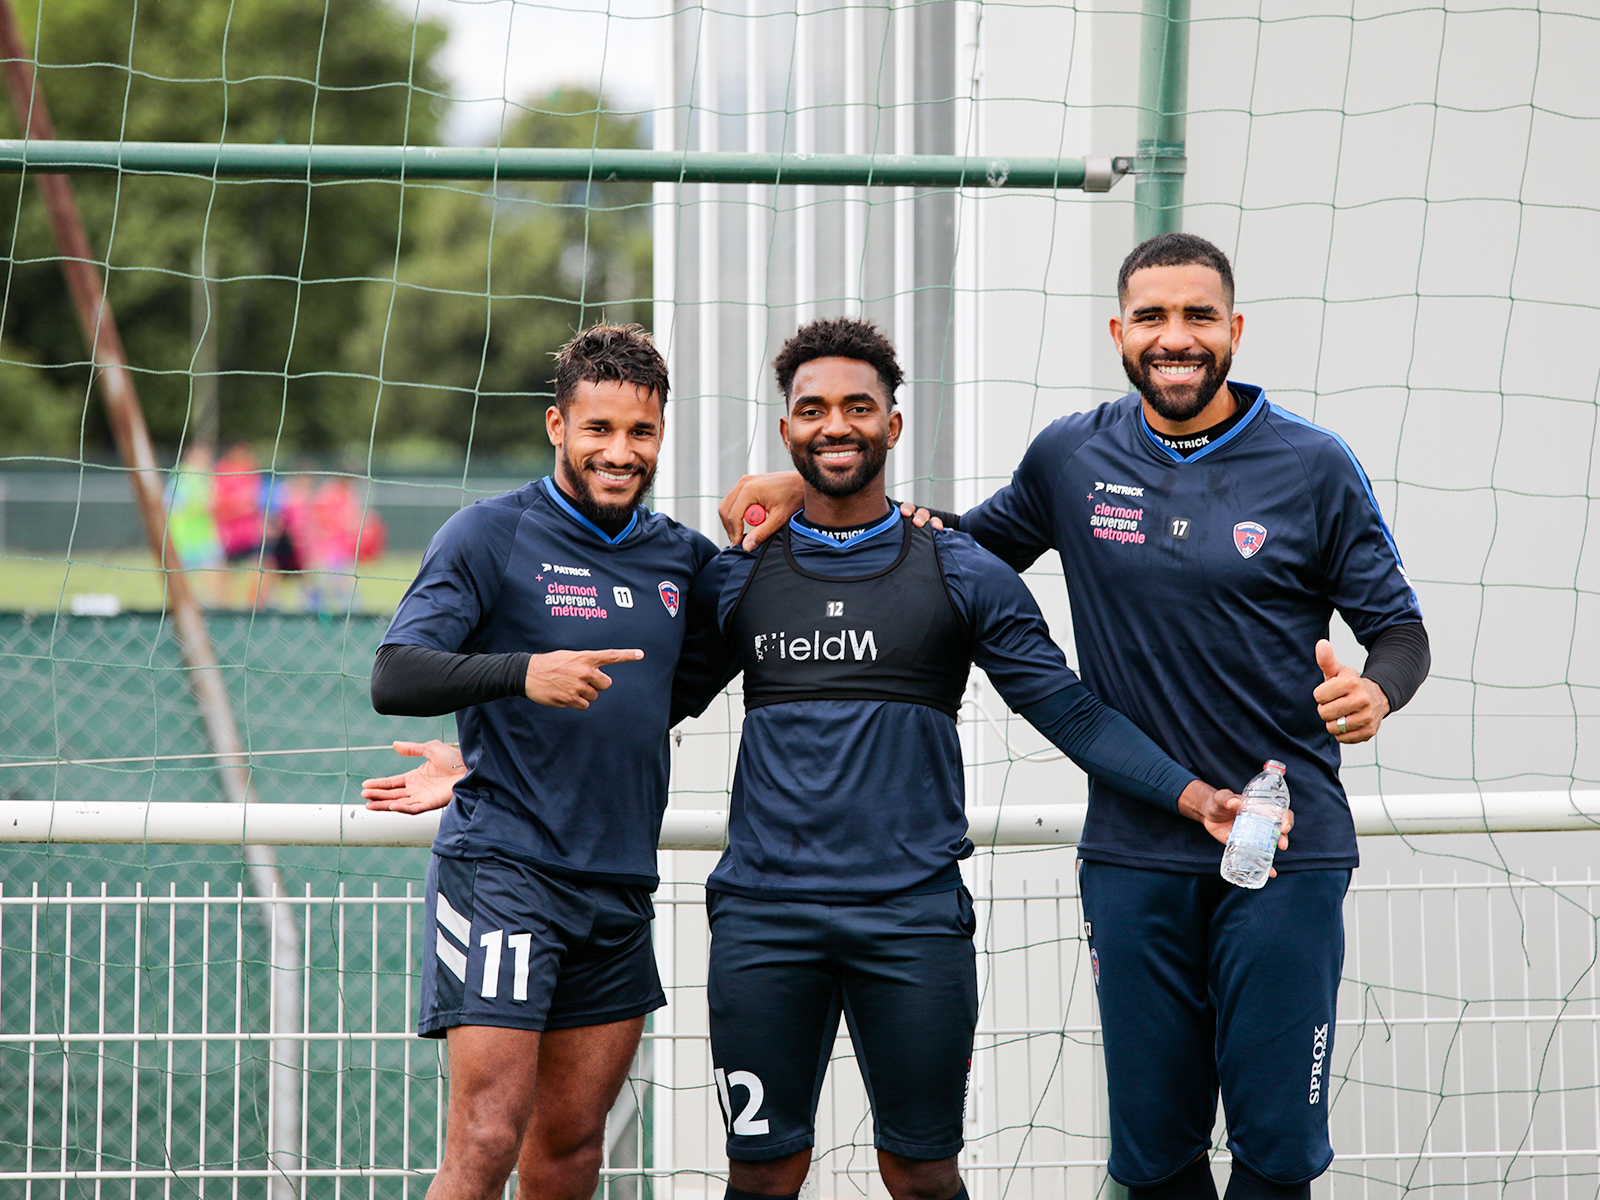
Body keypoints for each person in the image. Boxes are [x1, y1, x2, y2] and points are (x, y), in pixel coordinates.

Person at [376, 317, 1257, 1200]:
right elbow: (570, 690)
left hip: (896, 916)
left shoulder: (903, 568)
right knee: (683, 1164)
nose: (835, 425)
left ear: (893, 425)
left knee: (905, 1171)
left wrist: (1191, 795)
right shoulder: (708, 569)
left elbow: (1063, 707)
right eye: (812, 411)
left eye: (857, 407)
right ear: (788, 427)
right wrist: (489, 748)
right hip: (730, 915)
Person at [717, 237, 1431, 1200]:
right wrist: (808, 484)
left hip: (1281, 843)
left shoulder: (1312, 463)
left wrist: (1377, 690)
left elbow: (1399, 630)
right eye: (1152, 318)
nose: (1175, 338)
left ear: (1235, 329)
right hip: (1134, 853)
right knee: (1152, 1154)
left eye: (1198, 317)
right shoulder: (1070, 456)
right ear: (1119, 332)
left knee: (1274, 1150)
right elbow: (943, 546)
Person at [365, 323, 717, 1200]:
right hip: (507, 871)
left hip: (618, 887)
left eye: (640, 432)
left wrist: (780, 491)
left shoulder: (680, 557)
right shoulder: (489, 536)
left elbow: (673, 686)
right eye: (598, 429)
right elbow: (395, 673)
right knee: (486, 1140)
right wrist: (524, 677)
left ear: (661, 431)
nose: (619, 451)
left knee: (570, 1151)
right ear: (557, 426)